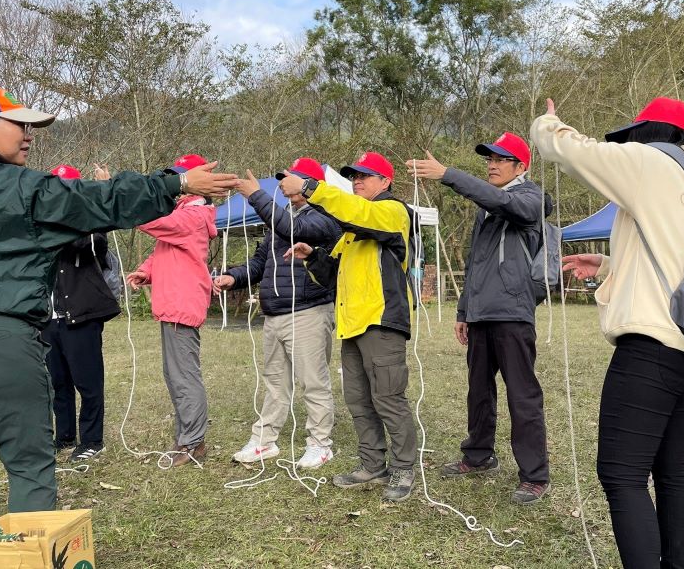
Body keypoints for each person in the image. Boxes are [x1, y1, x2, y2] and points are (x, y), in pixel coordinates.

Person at [0, 86, 238, 569]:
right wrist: (175, 185)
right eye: (18, 123)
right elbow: (102, 200)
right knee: (31, 470)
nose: (29, 134)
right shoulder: (25, 191)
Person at [530, 97, 684, 568]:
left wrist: (548, 120)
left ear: (651, 133)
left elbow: (567, 149)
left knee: (621, 474)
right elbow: (678, 262)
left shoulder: (651, 163)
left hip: (653, 348)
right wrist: (607, 264)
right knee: (673, 470)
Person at [406, 134, 553, 505]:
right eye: (489, 158)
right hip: (481, 314)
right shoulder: (485, 207)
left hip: (513, 313)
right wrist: (463, 312)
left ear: (522, 167)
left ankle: (534, 475)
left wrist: (447, 174)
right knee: (478, 391)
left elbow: (504, 202)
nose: (492, 163)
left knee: (523, 395)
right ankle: (478, 455)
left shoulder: (531, 199)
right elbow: (477, 264)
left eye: (502, 159)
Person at [279, 152, 417, 503]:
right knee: (358, 399)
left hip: (382, 322)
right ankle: (372, 464)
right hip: (352, 324)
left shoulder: (392, 211)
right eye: (354, 176)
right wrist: (312, 256)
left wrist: (311, 188)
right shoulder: (353, 233)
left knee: (388, 398)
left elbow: (360, 214)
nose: (357, 180)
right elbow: (332, 275)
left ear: (386, 181)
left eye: (366, 176)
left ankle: (403, 468)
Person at [213, 158, 341, 469]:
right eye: (282, 177)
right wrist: (233, 276)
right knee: (274, 382)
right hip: (275, 313)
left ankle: (320, 444)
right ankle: (264, 441)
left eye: (289, 177)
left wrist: (255, 195)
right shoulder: (278, 221)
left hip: (309, 311)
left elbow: (293, 228)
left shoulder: (325, 215)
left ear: (309, 183)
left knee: (314, 381)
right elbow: (260, 262)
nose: (282, 182)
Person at [126, 154, 218, 469]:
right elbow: (164, 251)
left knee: (184, 378)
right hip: (171, 305)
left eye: (181, 177)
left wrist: (119, 199)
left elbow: (156, 224)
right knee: (175, 375)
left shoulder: (193, 216)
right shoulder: (184, 213)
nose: (177, 184)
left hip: (181, 307)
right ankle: (187, 438)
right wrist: (144, 272)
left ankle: (194, 442)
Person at [42, 164, 121, 464]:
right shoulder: (43, 220)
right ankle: (64, 436)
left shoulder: (90, 223)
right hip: (50, 318)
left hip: (83, 315)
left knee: (88, 382)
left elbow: (92, 243)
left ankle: (91, 440)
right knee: (58, 383)